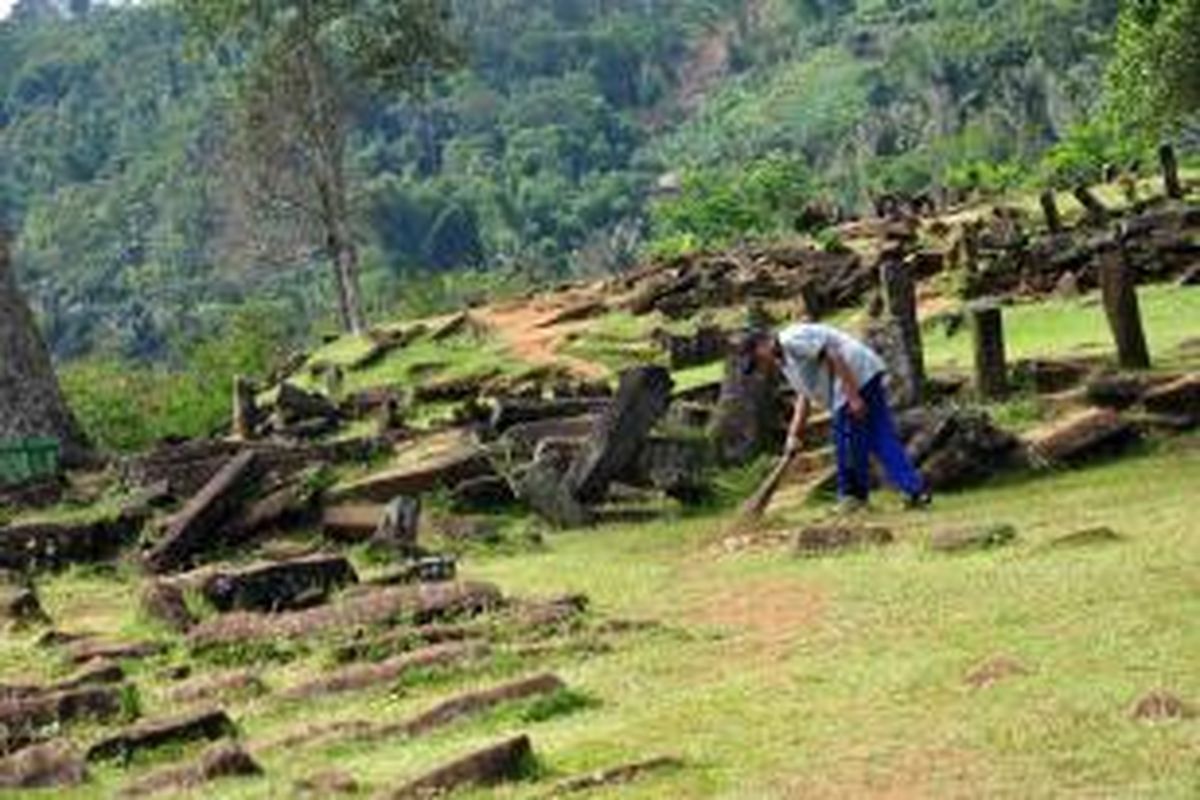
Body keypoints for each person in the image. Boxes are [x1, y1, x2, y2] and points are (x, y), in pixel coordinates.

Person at [740, 323, 931, 509]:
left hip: (853, 375)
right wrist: (794, 434)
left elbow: (833, 353)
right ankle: (915, 490)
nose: (759, 366)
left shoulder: (790, 341)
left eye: (756, 360)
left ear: (763, 344)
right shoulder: (785, 362)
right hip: (865, 373)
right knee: (881, 436)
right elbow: (804, 397)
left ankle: (851, 498)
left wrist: (853, 396)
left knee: (845, 440)